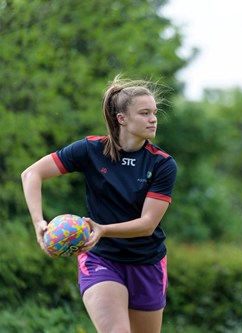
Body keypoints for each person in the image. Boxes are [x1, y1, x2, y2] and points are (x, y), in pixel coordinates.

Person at [21, 75, 177, 333]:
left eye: (155, 113)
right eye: (145, 113)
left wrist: (102, 229)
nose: (153, 119)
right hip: (101, 258)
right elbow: (31, 174)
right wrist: (39, 222)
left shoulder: (162, 164)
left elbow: (147, 225)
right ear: (122, 119)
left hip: (147, 262)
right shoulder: (90, 150)